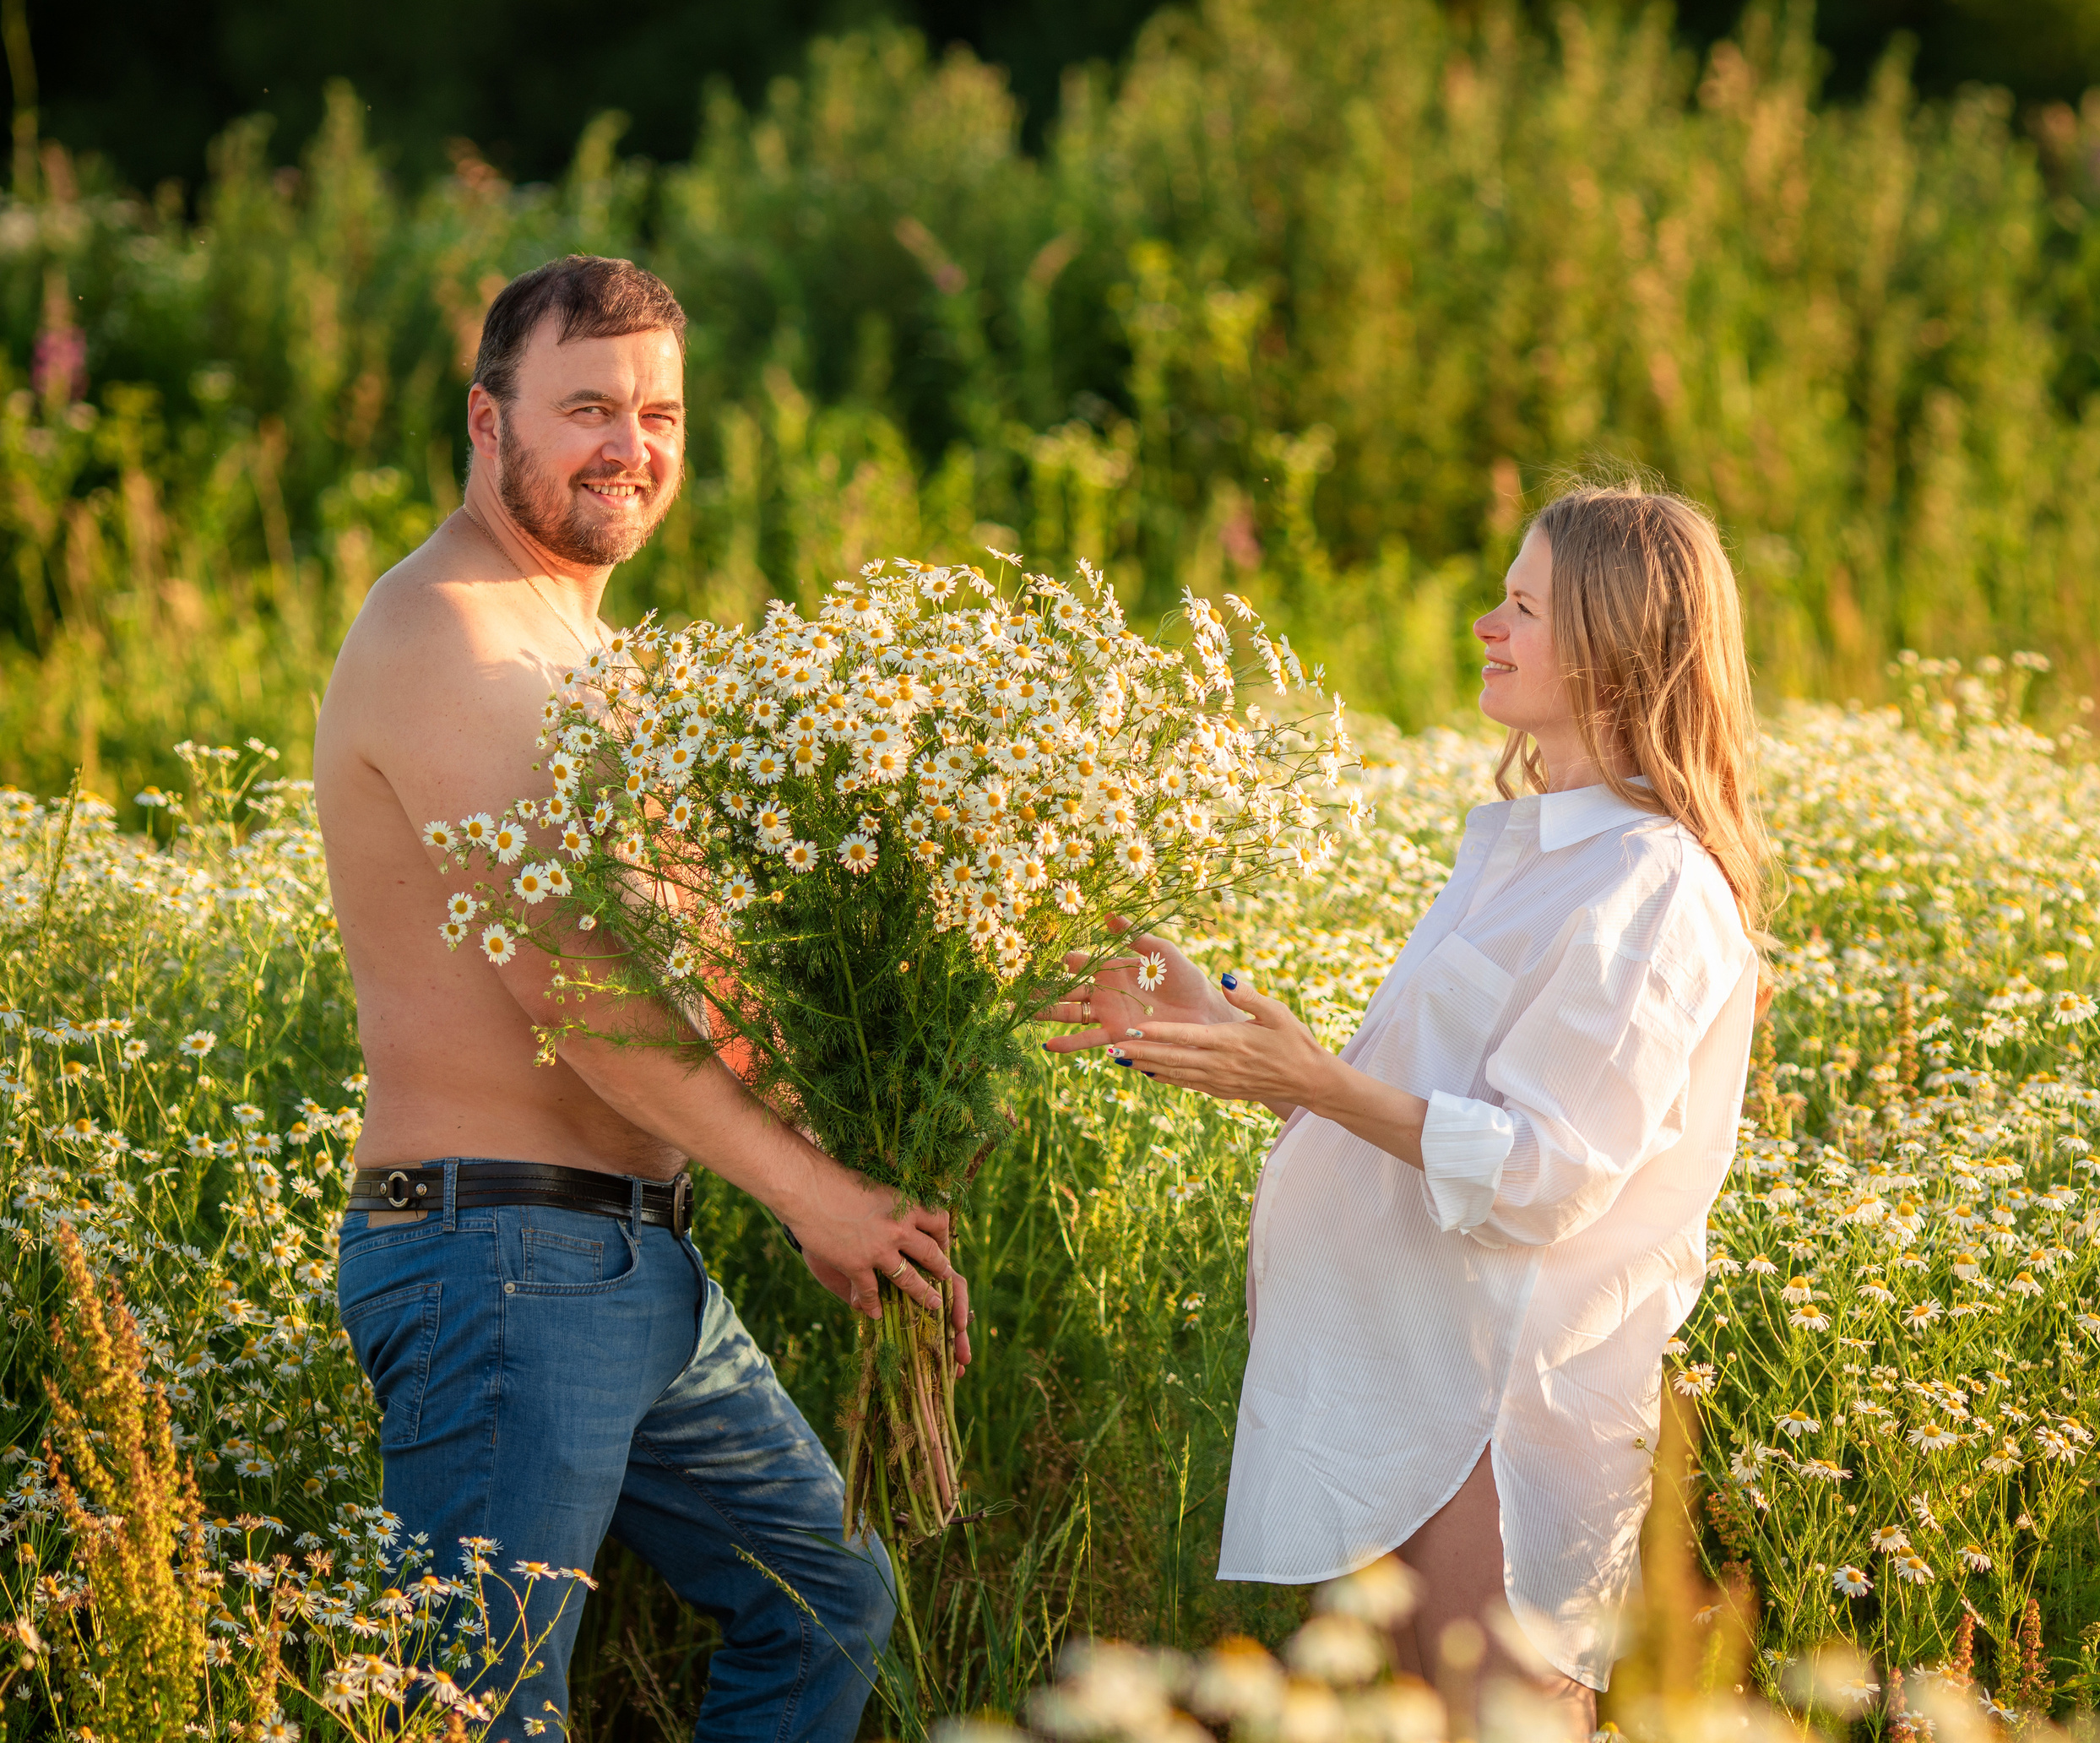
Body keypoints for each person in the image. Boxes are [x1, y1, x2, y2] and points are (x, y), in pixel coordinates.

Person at [313, 254, 972, 1741]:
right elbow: (587, 997)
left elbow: (697, 974)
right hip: (501, 1256)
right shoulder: (454, 636)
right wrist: (812, 1196)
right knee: (478, 1710)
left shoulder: (573, 644)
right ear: (489, 425)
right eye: (587, 408)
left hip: (626, 1263)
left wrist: (851, 1131)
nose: (632, 445)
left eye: (659, 411)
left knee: (823, 1595)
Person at [1044, 482, 1776, 1735]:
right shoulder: (1527, 853)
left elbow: (1549, 1173)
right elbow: (1429, 1117)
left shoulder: (1650, 887)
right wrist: (1226, 1041)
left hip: (1503, 1418)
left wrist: (1315, 1081)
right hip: (1409, 1391)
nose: (1489, 625)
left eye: (1526, 605)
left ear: (1614, 642)